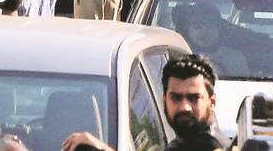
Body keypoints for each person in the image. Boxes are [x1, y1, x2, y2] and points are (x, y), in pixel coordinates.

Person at [62, 54, 228, 151]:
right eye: (176, 98)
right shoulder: (188, 141)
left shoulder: (212, 146)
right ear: (164, 99)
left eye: (193, 98)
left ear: (212, 101)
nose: (184, 107)